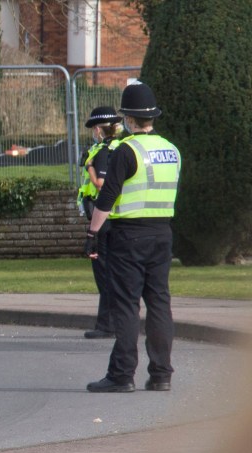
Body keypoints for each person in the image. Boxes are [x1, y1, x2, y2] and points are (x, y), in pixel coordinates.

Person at [84, 82, 180, 393]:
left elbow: (108, 195)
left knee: (125, 305)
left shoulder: (127, 149)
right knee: (159, 302)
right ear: (152, 118)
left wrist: (93, 232)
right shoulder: (171, 149)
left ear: (128, 119)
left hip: (129, 236)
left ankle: (121, 375)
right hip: (162, 233)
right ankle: (162, 373)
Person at [77, 106, 123, 340]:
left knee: (103, 273)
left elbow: (102, 185)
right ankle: (109, 323)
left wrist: (90, 168)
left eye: (94, 129)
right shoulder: (117, 147)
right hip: (111, 220)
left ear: (98, 129)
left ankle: (107, 325)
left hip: (103, 222)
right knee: (107, 272)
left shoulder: (104, 151)